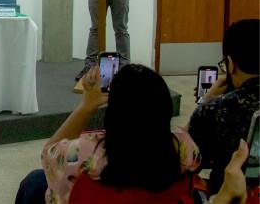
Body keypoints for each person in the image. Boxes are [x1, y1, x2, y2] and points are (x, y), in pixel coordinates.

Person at [38, 64, 200, 204]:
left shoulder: (85, 152)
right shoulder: (184, 148)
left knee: (33, 182)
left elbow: (48, 155)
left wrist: (86, 107)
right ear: (165, 110)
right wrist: (205, 99)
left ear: (114, 113)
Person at [188, 18, 259, 194]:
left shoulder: (215, 110)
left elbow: (186, 160)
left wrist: (207, 100)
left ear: (231, 63)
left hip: (228, 195)